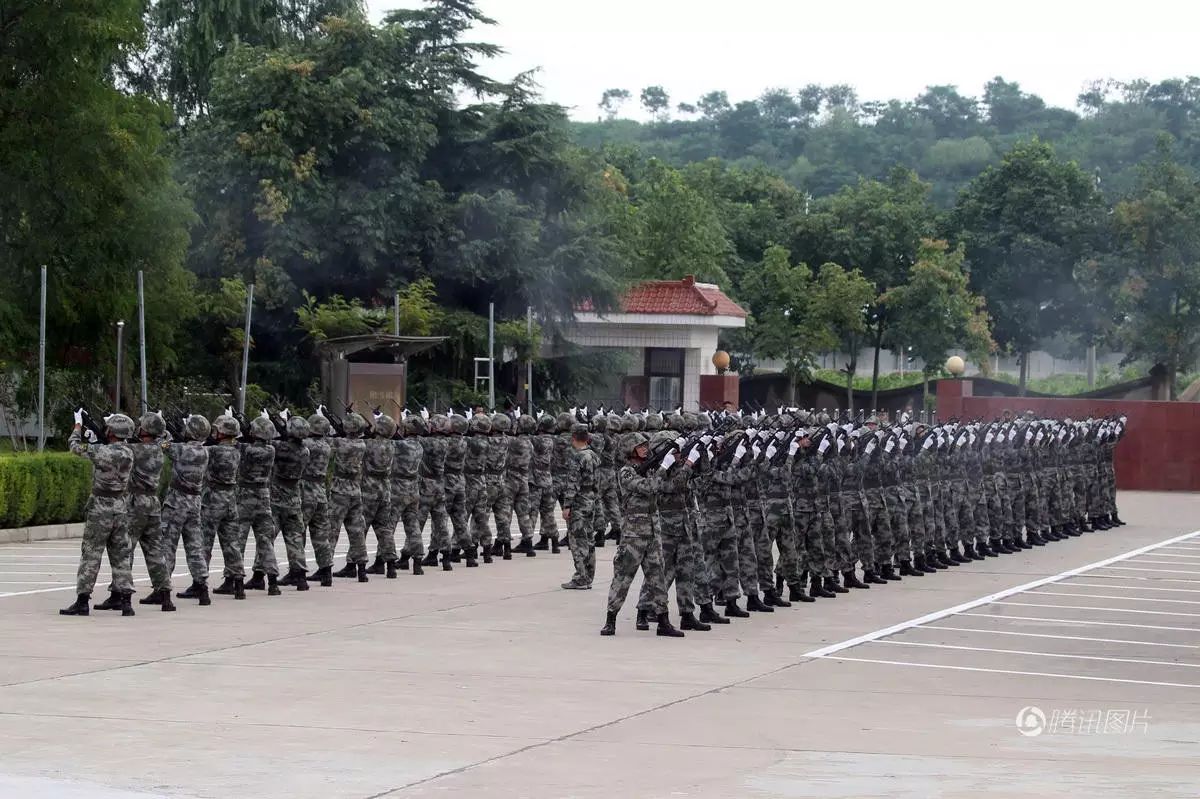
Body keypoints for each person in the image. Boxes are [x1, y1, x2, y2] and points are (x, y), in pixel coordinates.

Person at [600, 433, 684, 637]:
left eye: (646, 445)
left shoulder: (651, 469)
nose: (645, 449)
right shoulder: (626, 472)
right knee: (623, 578)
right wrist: (663, 467)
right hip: (634, 535)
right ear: (630, 449)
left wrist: (677, 460)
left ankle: (663, 621)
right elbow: (650, 487)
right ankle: (610, 620)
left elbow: (667, 483)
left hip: (653, 533)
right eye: (640, 446)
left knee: (658, 579)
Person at [60, 411, 136, 618]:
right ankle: (126, 602)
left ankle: (82, 601)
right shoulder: (129, 452)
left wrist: (78, 426)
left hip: (100, 508)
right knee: (121, 555)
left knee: (91, 554)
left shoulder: (102, 452)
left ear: (112, 432)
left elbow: (74, 446)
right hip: (120, 507)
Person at [94, 412, 169, 613]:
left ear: (145, 430)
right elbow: (167, 438)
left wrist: (112, 426)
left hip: (136, 502)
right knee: (155, 550)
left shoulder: (136, 449)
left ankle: (119, 593)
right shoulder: (159, 448)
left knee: (124, 550)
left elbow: (116, 447)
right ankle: (165, 594)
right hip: (153, 501)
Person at [156, 413, 212, 609]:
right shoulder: (204, 452)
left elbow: (161, 445)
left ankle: (163, 591)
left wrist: (162, 426)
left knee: (167, 546)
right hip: (194, 503)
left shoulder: (180, 450)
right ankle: (202, 588)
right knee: (195, 547)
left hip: (176, 502)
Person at [272, 413, 312, 590]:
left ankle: (262, 573)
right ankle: (300, 576)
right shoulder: (305, 451)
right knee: (295, 537)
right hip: (294, 497)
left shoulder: (280, 448)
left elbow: (268, 443)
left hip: (277, 495)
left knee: (266, 537)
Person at [561, 424, 599, 590]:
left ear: (574, 438)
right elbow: (598, 481)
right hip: (591, 499)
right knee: (589, 539)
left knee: (577, 540)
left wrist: (567, 505)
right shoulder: (593, 455)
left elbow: (573, 483)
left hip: (579, 502)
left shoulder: (578, 457)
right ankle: (589, 576)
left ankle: (581, 577)